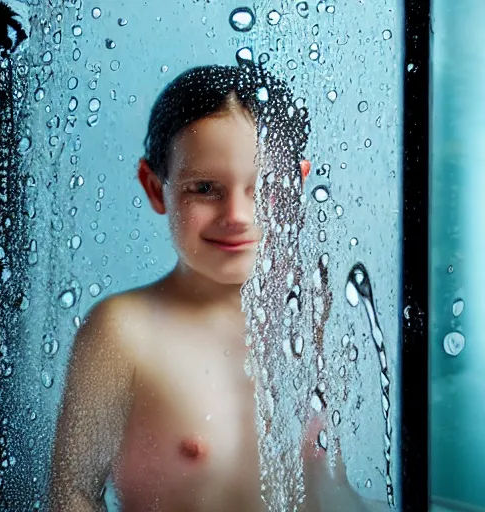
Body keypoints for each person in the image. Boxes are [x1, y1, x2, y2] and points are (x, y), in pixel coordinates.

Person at [49, 62, 387, 512]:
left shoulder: (312, 313)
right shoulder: (125, 332)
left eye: (263, 187)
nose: (237, 216)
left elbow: (328, 486)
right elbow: (72, 494)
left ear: (297, 184)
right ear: (155, 187)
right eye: (205, 188)